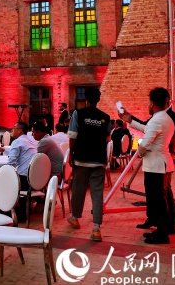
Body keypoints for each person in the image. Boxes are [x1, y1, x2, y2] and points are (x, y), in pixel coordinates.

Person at [120, 87, 175, 244]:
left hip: (156, 165)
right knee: (161, 198)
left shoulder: (157, 119)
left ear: (152, 103)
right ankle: (163, 229)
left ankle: (162, 233)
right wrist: (130, 120)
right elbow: (148, 129)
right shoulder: (163, 118)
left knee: (158, 200)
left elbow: (145, 142)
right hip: (160, 163)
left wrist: (140, 152)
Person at [67, 87, 111, 242]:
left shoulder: (78, 114)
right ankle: (96, 229)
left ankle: (74, 217)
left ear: (86, 99)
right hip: (98, 160)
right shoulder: (105, 117)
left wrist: (71, 153)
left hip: (81, 158)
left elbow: (73, 136)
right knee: (97, 194)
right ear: (98, 100)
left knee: (78, 189)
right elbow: (107, 139)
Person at [0, 121, 36, 222]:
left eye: (14, 128)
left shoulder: (17, 142)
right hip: (33, 179)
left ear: (19, 131)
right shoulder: (30, 141)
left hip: (23, 180)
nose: (12, 130)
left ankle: (4, 211)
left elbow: (11, 163)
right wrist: (4, 150)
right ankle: (21, 211)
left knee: (0, 181)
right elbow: (21, 154)